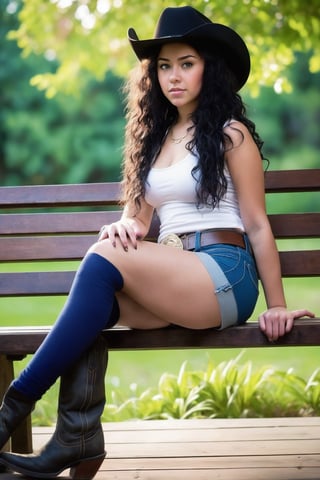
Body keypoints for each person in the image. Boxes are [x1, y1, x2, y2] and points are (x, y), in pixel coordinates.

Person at [0, 5, 314, 480]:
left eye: (186, 63)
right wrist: (120, 228)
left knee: (99, 265)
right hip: (176, 275)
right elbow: (136, 219)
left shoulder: (231, 134)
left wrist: (277, 304)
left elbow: (256, 223)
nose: (174, 76)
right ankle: (76, 438)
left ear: (211, 67)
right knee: (92, 309)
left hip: (225, 273)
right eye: (164, 66)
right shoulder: (153, 138)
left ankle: (12, 409)